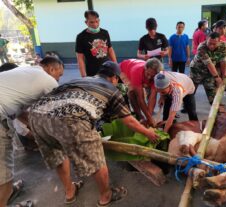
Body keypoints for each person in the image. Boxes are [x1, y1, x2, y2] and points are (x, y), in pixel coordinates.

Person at [28, 61, 159, 206]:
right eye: (117, 80)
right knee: (96, 159)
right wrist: (148, 133)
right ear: (114, 78)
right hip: (69, 119)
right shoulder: (112, 89)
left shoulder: (79, 79)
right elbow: (129, 121)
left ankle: (70, 192)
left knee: (58, 154)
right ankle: (106, 196)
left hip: (36, 115)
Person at [0, 56, 64, 207]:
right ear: (51, 69)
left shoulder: (24, 72)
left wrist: (40, 132)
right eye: (59, 75)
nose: (58, 80)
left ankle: (6, 193)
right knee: (4, 176)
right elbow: (60, 113)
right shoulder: (48, 80)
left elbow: (21, 114)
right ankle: (5, 195)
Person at [120, 58, 162, 126]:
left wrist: (149, 117)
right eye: (148, 74)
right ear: (145, 68)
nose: (149, 77)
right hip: (125, 69)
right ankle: (139, 117)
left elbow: (152, 97)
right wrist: (148, 118)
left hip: (137, 71)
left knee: (148, 115)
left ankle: (146, 119)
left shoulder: (158, 76)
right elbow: (140, 99)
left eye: (152, 75)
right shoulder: (136, 71)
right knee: (133, 93)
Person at [76, 10, 117, 77]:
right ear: (86, 22)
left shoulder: (105, 33)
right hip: (92, 72)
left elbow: (110, 49)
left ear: (99, 20)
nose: (95, 24)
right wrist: (83, 76)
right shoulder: (81, 37)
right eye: (91, 22)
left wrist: (115, 66)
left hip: (107, 69)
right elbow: (80, 57)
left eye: (97, 21)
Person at [190, 32, 226, 104]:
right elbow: (209, 64)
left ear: (219, 42)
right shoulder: (201, 47)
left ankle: (215, 107)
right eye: (209, 43)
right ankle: (186, 106)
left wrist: (223, 74)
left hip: (210, 71)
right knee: (192, 88)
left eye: (214, 44)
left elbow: (223, 61)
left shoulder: (223, 46)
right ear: (206, 40)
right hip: (197, 69)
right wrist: (217, 77)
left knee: (210, 88)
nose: (211, 46)